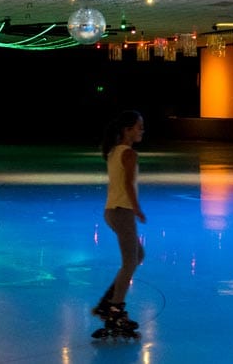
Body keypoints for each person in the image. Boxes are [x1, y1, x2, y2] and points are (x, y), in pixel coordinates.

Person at [92, 110, 146, 333]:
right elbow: (127, 185)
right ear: (128, 130)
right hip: (122, 212)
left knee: (138, 256)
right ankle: (114, 309)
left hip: (111, 212)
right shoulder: (129, 154)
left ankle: (108, 302)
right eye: (139, 127)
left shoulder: (114, 151)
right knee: (130, 262)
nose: (142, 130)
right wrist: (137, 209)